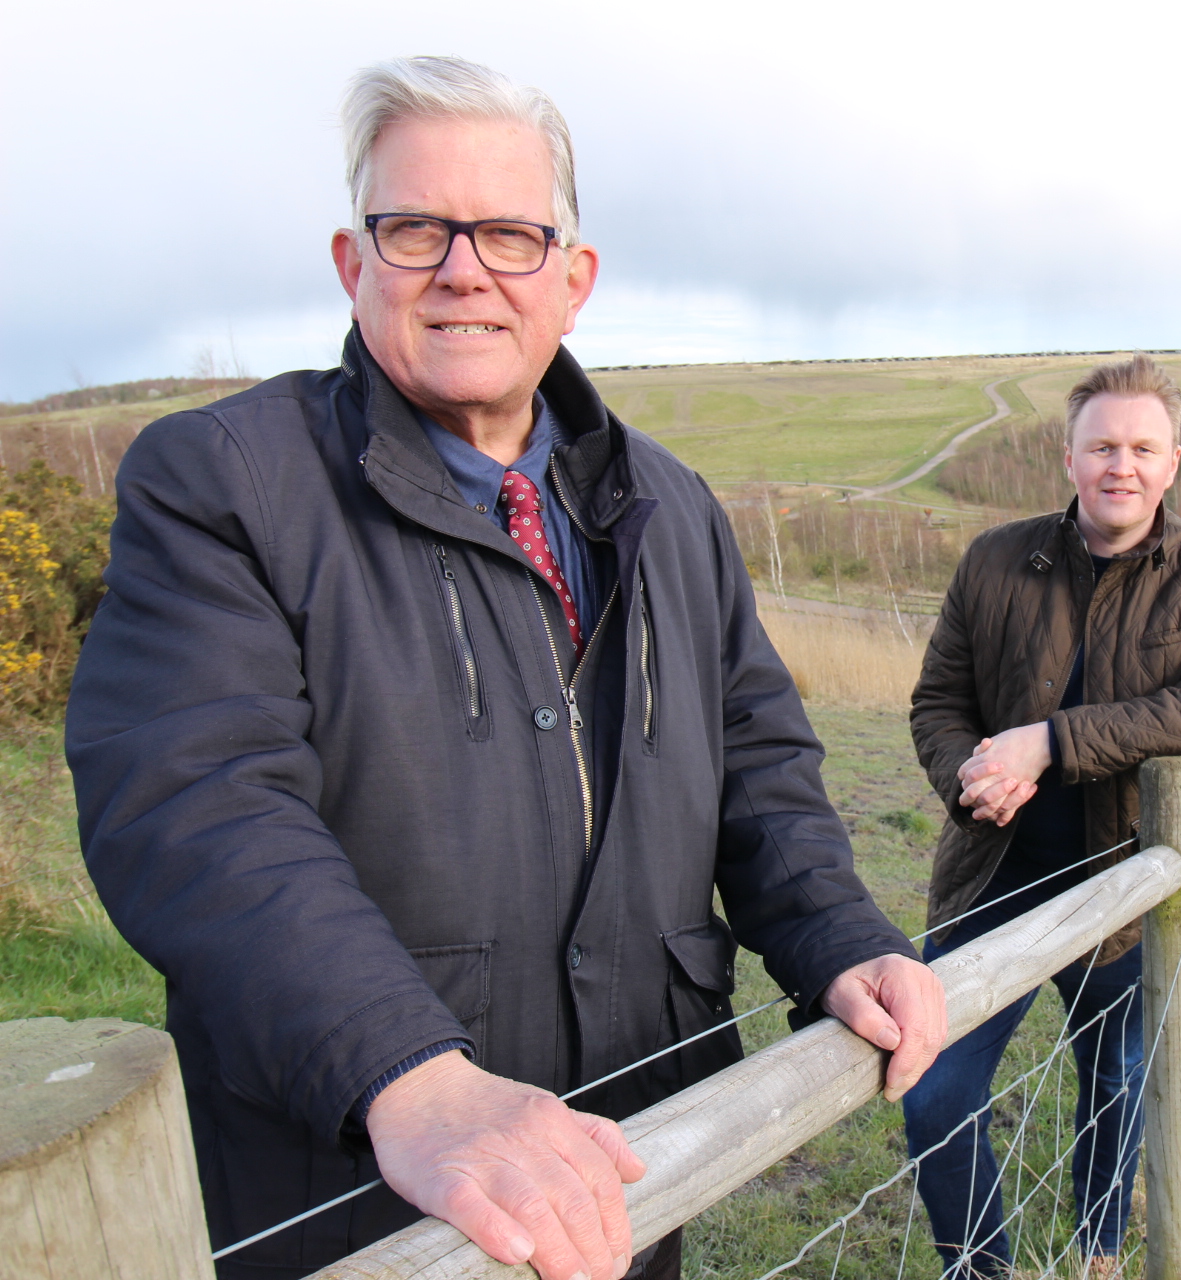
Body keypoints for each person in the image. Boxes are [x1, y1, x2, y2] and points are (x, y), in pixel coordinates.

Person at [65, 56, 945, 1280]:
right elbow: (197, 801)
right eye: (415, 227)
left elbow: (757, 759)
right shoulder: (226, 481)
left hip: (634, 1165)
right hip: (366, 1196)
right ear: (351, 261)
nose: (462, 267)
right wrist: (405, 1073)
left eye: (511, 235)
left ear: (572, 280)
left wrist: (840, 935)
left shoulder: (671, 509)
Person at [904, 353, 1181, 1278]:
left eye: (1143, 447)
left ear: (1173, 462)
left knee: (1112, 1079)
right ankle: (983, 1268)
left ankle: (1099, 1244)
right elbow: (936, 704)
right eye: (1102, 445)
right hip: (993, 878)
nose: (1121, 465)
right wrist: (974, 774)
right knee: (935, 1094)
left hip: (1124, 891)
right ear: (1068, 458)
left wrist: (1049, 743)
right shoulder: (994, 561)